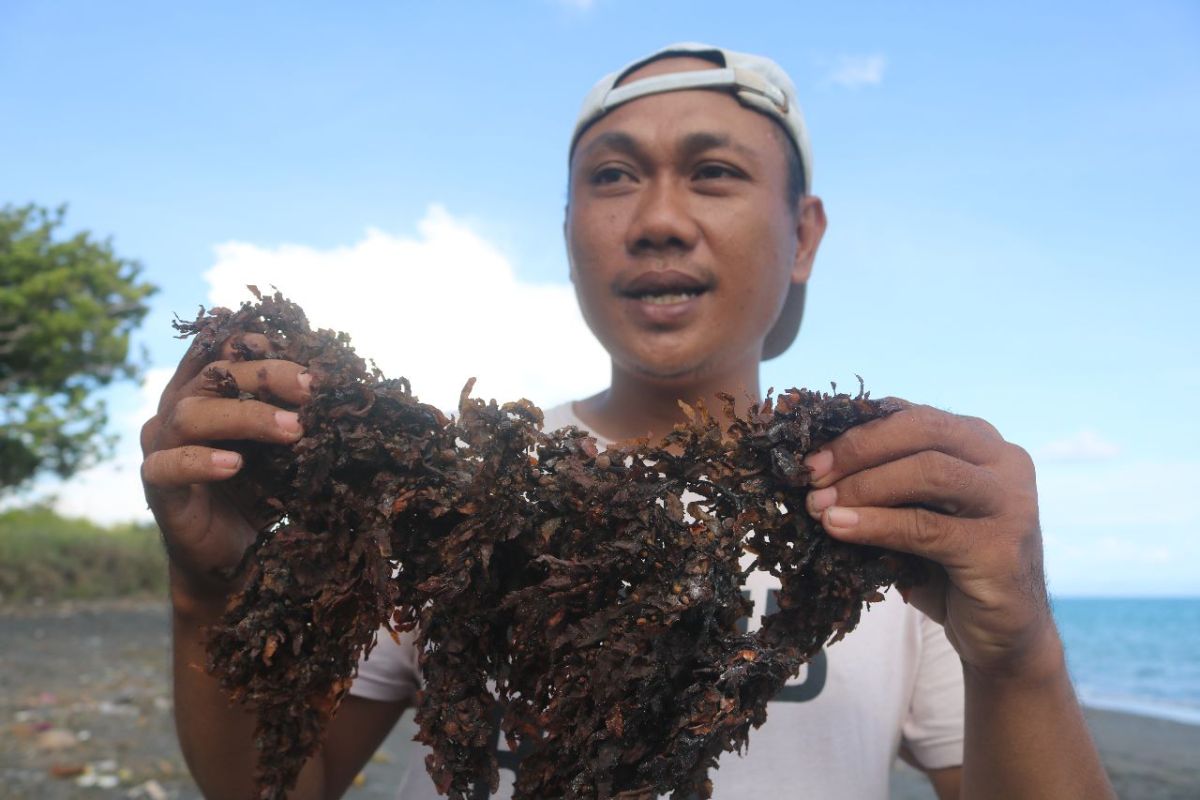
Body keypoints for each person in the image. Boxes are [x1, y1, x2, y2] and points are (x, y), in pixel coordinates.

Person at [141, 43, 1114, 800]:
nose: (656, 216)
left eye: (715, 172)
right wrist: (207, 588)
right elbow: (265, 785)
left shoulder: (889, 514)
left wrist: (1021, 648)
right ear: (568, 231)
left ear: (803, 233)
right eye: (611, 176)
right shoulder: (442, 502)